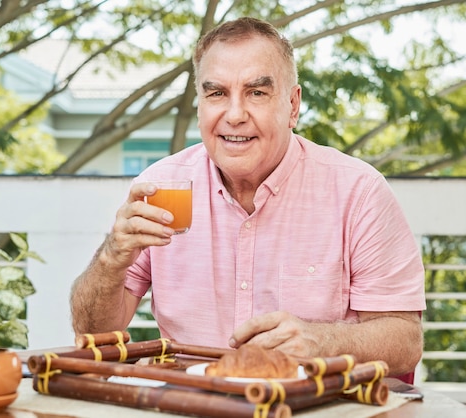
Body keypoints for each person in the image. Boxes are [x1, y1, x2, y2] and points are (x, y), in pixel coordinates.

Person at [70, 17, 426, 380]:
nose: (235, 115)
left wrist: (323, 341)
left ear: (292, 105)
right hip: (193, 405)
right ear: (200, 105)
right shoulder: (160, 187)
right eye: (216, 94)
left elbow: (405, 343)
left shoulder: (358, 192)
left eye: (257, 92)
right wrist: (113, 256)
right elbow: (93, 335)